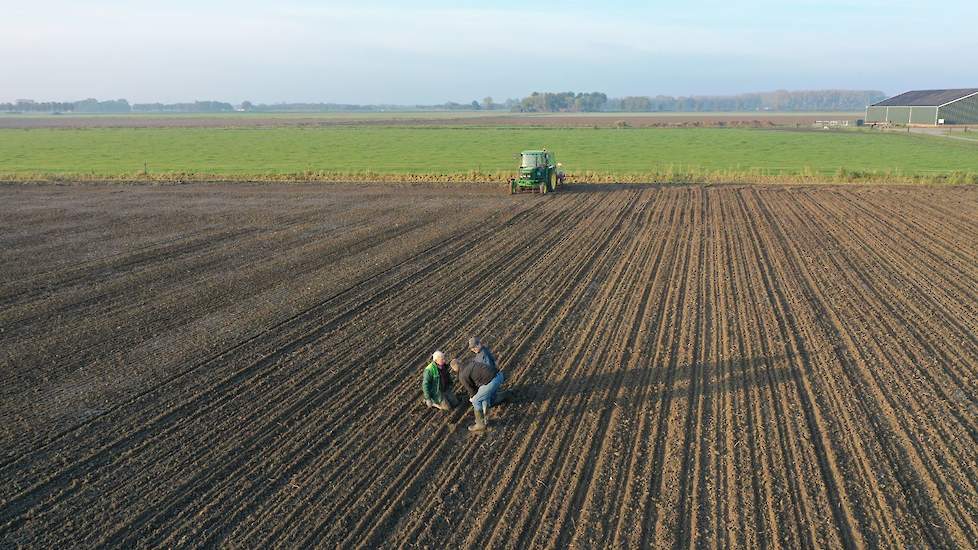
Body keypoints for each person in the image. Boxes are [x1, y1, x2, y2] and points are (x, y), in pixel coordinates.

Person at [451, 356, 508, 432]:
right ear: (460, 361)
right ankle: (507, 394)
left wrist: (472, 398)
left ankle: (480, 424)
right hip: (499, 375)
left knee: (476, 400)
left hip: (492, 382)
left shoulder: (462, 375)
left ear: (454, 369)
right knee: (484, 395)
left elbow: (471, 390)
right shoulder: (469, 362)